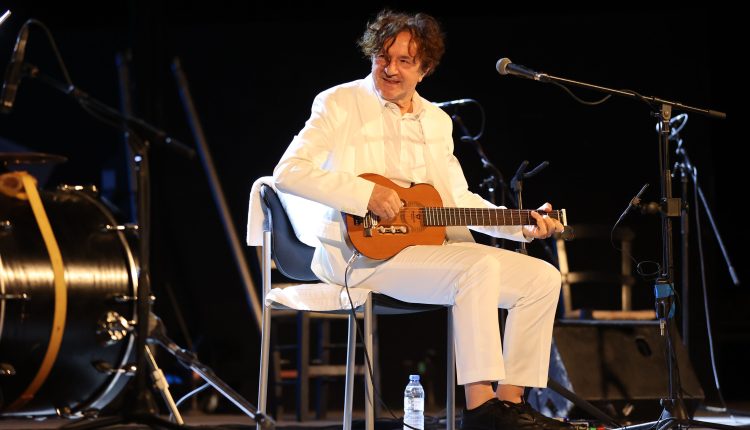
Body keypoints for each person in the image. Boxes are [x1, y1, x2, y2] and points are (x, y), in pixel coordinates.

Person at [273, 9, 569, 430]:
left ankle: (510, 404)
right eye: (382, 57)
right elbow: (289, 172)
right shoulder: (339, 103)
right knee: (477, 267)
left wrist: (517, 224)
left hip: (426, 252)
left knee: (541, 278)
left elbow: (457, 199)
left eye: (404, 61)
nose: (390, 69)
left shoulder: (436, 121)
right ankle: (480, 408)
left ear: (425, 69)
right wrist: (365, 194)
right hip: (360, 253)